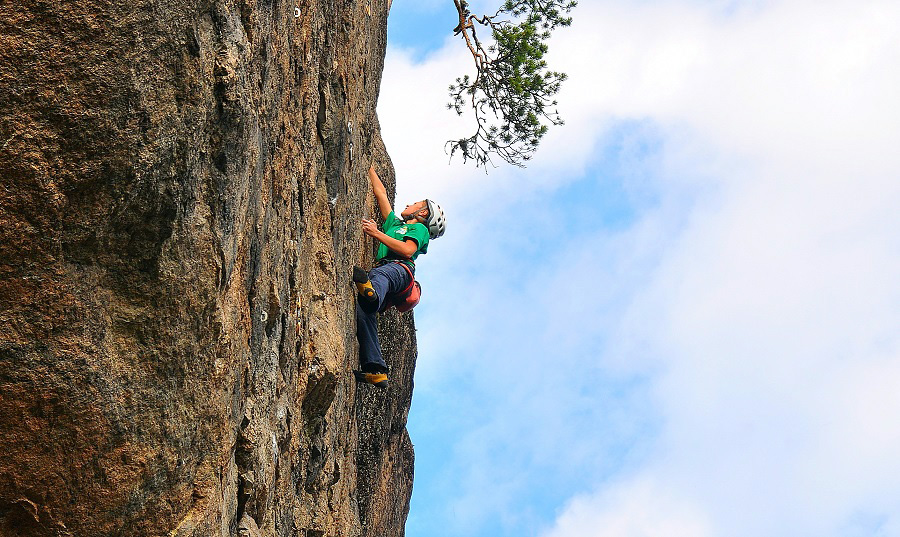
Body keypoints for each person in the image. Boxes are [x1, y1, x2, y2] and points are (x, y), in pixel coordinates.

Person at [353, 165, 446, 388]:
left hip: (400, 270)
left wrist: (376, 233)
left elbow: (407, 250)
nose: (408, 204)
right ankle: (376, 370)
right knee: (364, 313)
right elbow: (381, 194)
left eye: (415, 204)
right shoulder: (395, 225)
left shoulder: (420, 230)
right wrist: (369, 167)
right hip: (386, 275)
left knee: (379, 276)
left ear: (422, 213)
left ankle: (372, 294)